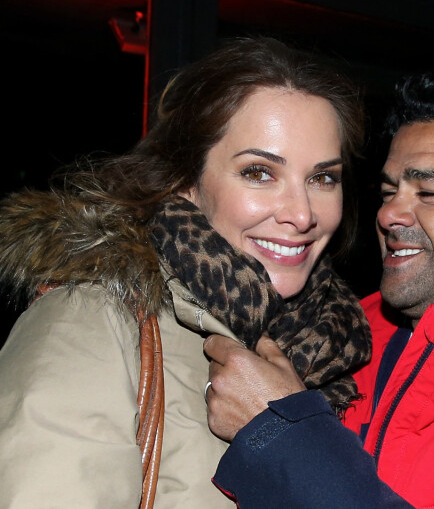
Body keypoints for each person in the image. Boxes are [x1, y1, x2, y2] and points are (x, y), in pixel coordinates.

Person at [0, 37, 372, 508]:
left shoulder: (344, 346)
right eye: (259, 172)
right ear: (184, 181)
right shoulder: (94, 322)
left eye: (322, 178)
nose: (301, 214)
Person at [204, 59, 434, 508]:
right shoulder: (338, 340)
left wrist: (282, 431)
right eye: (387, 193)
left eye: (428, 193)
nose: (388, 215)